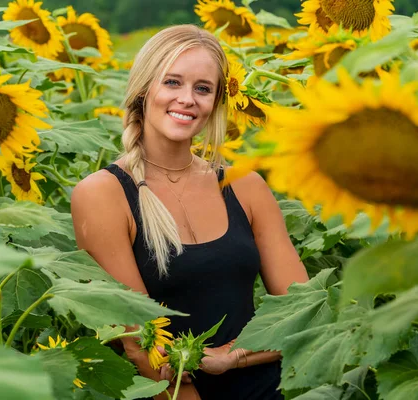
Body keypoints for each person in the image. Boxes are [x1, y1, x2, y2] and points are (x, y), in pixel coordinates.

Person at [71, 25, 309, 400]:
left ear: (216, 101)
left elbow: (305, 313)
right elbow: (137, 344)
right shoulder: (104, 194)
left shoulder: (244, 186)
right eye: (173, 82)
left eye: (203, 88)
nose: (187, 99)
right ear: (145, 89)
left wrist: (232, 357)